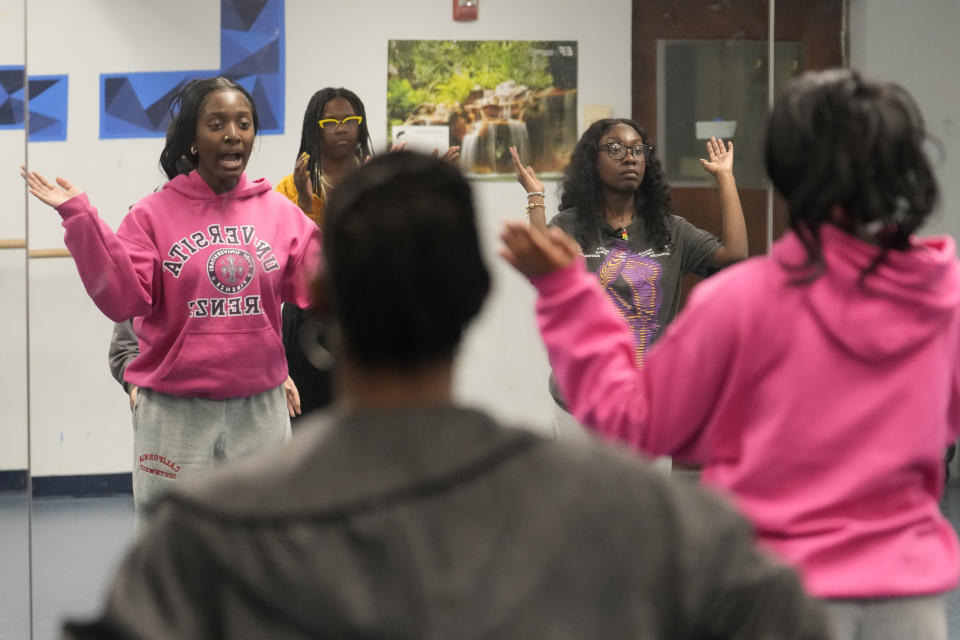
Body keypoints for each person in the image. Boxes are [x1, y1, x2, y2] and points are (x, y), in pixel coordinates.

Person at [62, 152, 827, 639]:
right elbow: (776, 610)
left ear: (321, 296)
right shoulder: (629, 510)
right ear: (475, 294)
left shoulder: (207, 538)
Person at [501, 69, 957, 639]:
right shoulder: (945, 296)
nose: (629, 158)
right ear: (907, 166)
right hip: (909, 592)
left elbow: (634, 421)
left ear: (786, 170)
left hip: (785, 588)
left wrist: (566, 299)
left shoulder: (740, 302)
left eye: (636, 149)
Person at [21, 76, 321, 527]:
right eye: (216, 123)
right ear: (193, 140)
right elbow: (121, 297)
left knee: (262, 544)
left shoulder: (279, 213)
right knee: (172, 547)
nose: (233, 134)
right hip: (176, 412)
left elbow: (325, 288)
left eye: (243, 123)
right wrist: (82, 219)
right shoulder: (151, 215)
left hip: (259, 407)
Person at [509, 119, 747, 441]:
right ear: (593, 160)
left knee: (646, 493)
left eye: (638, 150)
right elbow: (541, 268)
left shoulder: (670, 230)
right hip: (580, 403)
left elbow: (735, 255)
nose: (631, 157)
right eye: (616, 149)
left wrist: (725, 178)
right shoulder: (571, 225)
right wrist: (535, 198)